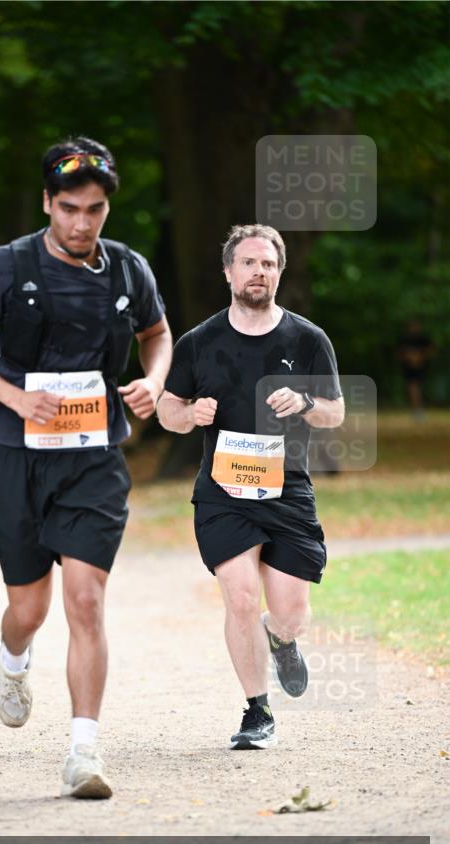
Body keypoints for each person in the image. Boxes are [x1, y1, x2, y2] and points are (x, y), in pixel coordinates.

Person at [0, 137, 172, 798]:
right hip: (17, 458)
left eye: (94, 209)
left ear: (107, 209)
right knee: (28, 608)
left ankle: (83, 752)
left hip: (94, 459)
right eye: (69, 208)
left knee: (86, 600)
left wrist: (154, 382)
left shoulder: (128, 269)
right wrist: (15, 397)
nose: (81, 222)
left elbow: (156, 335)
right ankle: (13, 659)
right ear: (47, 203)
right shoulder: (6, 266)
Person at [157, 224, 344, 749]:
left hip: (287, 489)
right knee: (239, 597)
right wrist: (190, 414)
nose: (259, 272)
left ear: (279, 273)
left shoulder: (308, 340)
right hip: (223, 491)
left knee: (290, 614)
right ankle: (257, 712)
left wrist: (306, 403)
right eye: (248, 263)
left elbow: (335, 412)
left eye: (268, 264)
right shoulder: (199, 342)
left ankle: (280, 638)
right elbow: (167, 409)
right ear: (228, 272)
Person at [397, 318, 435, 421]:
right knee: (413, 387)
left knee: (417, 388)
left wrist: (420, 358)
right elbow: (399, 353)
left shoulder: (423, 338)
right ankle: (417, 411)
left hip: (421, 367)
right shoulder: (404, 339)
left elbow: (431, 350)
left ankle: (418, 410)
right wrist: (409, 358)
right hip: (408, 368)